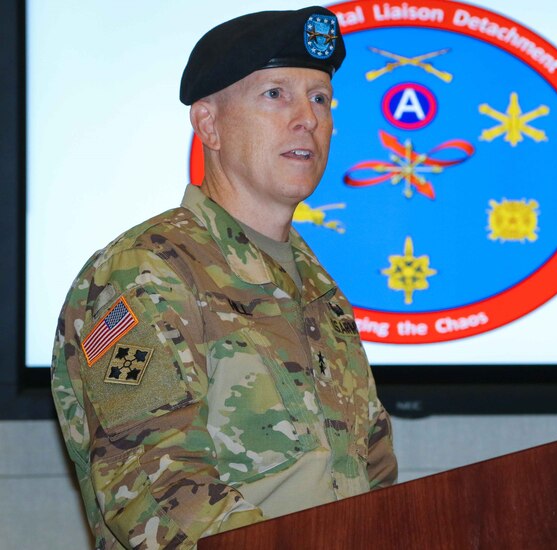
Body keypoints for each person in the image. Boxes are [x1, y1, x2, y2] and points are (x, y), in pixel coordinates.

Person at [50, 7, 397, 549]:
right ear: (208, 124)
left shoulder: (319, 290)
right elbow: (154, 489)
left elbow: (375, 478)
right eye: (275, 94)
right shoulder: (145, 273)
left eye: (321, 98)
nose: (306, 117)